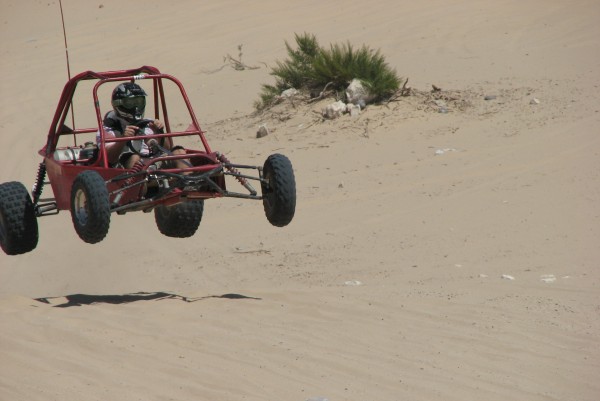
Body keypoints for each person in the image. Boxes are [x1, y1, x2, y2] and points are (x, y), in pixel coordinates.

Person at [99, 82, 188, 170]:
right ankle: (140, 179)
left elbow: (167, 149)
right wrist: (122, 139)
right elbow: (108, 158)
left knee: (179, 151)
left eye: (139, 102)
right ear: (118, 104)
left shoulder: (149, 123)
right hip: (126, 169)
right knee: (134, 158)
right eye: (130, 103)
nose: (136, 107)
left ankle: (189, 177)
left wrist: (159, 134)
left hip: (155, 163)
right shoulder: (108, 128)